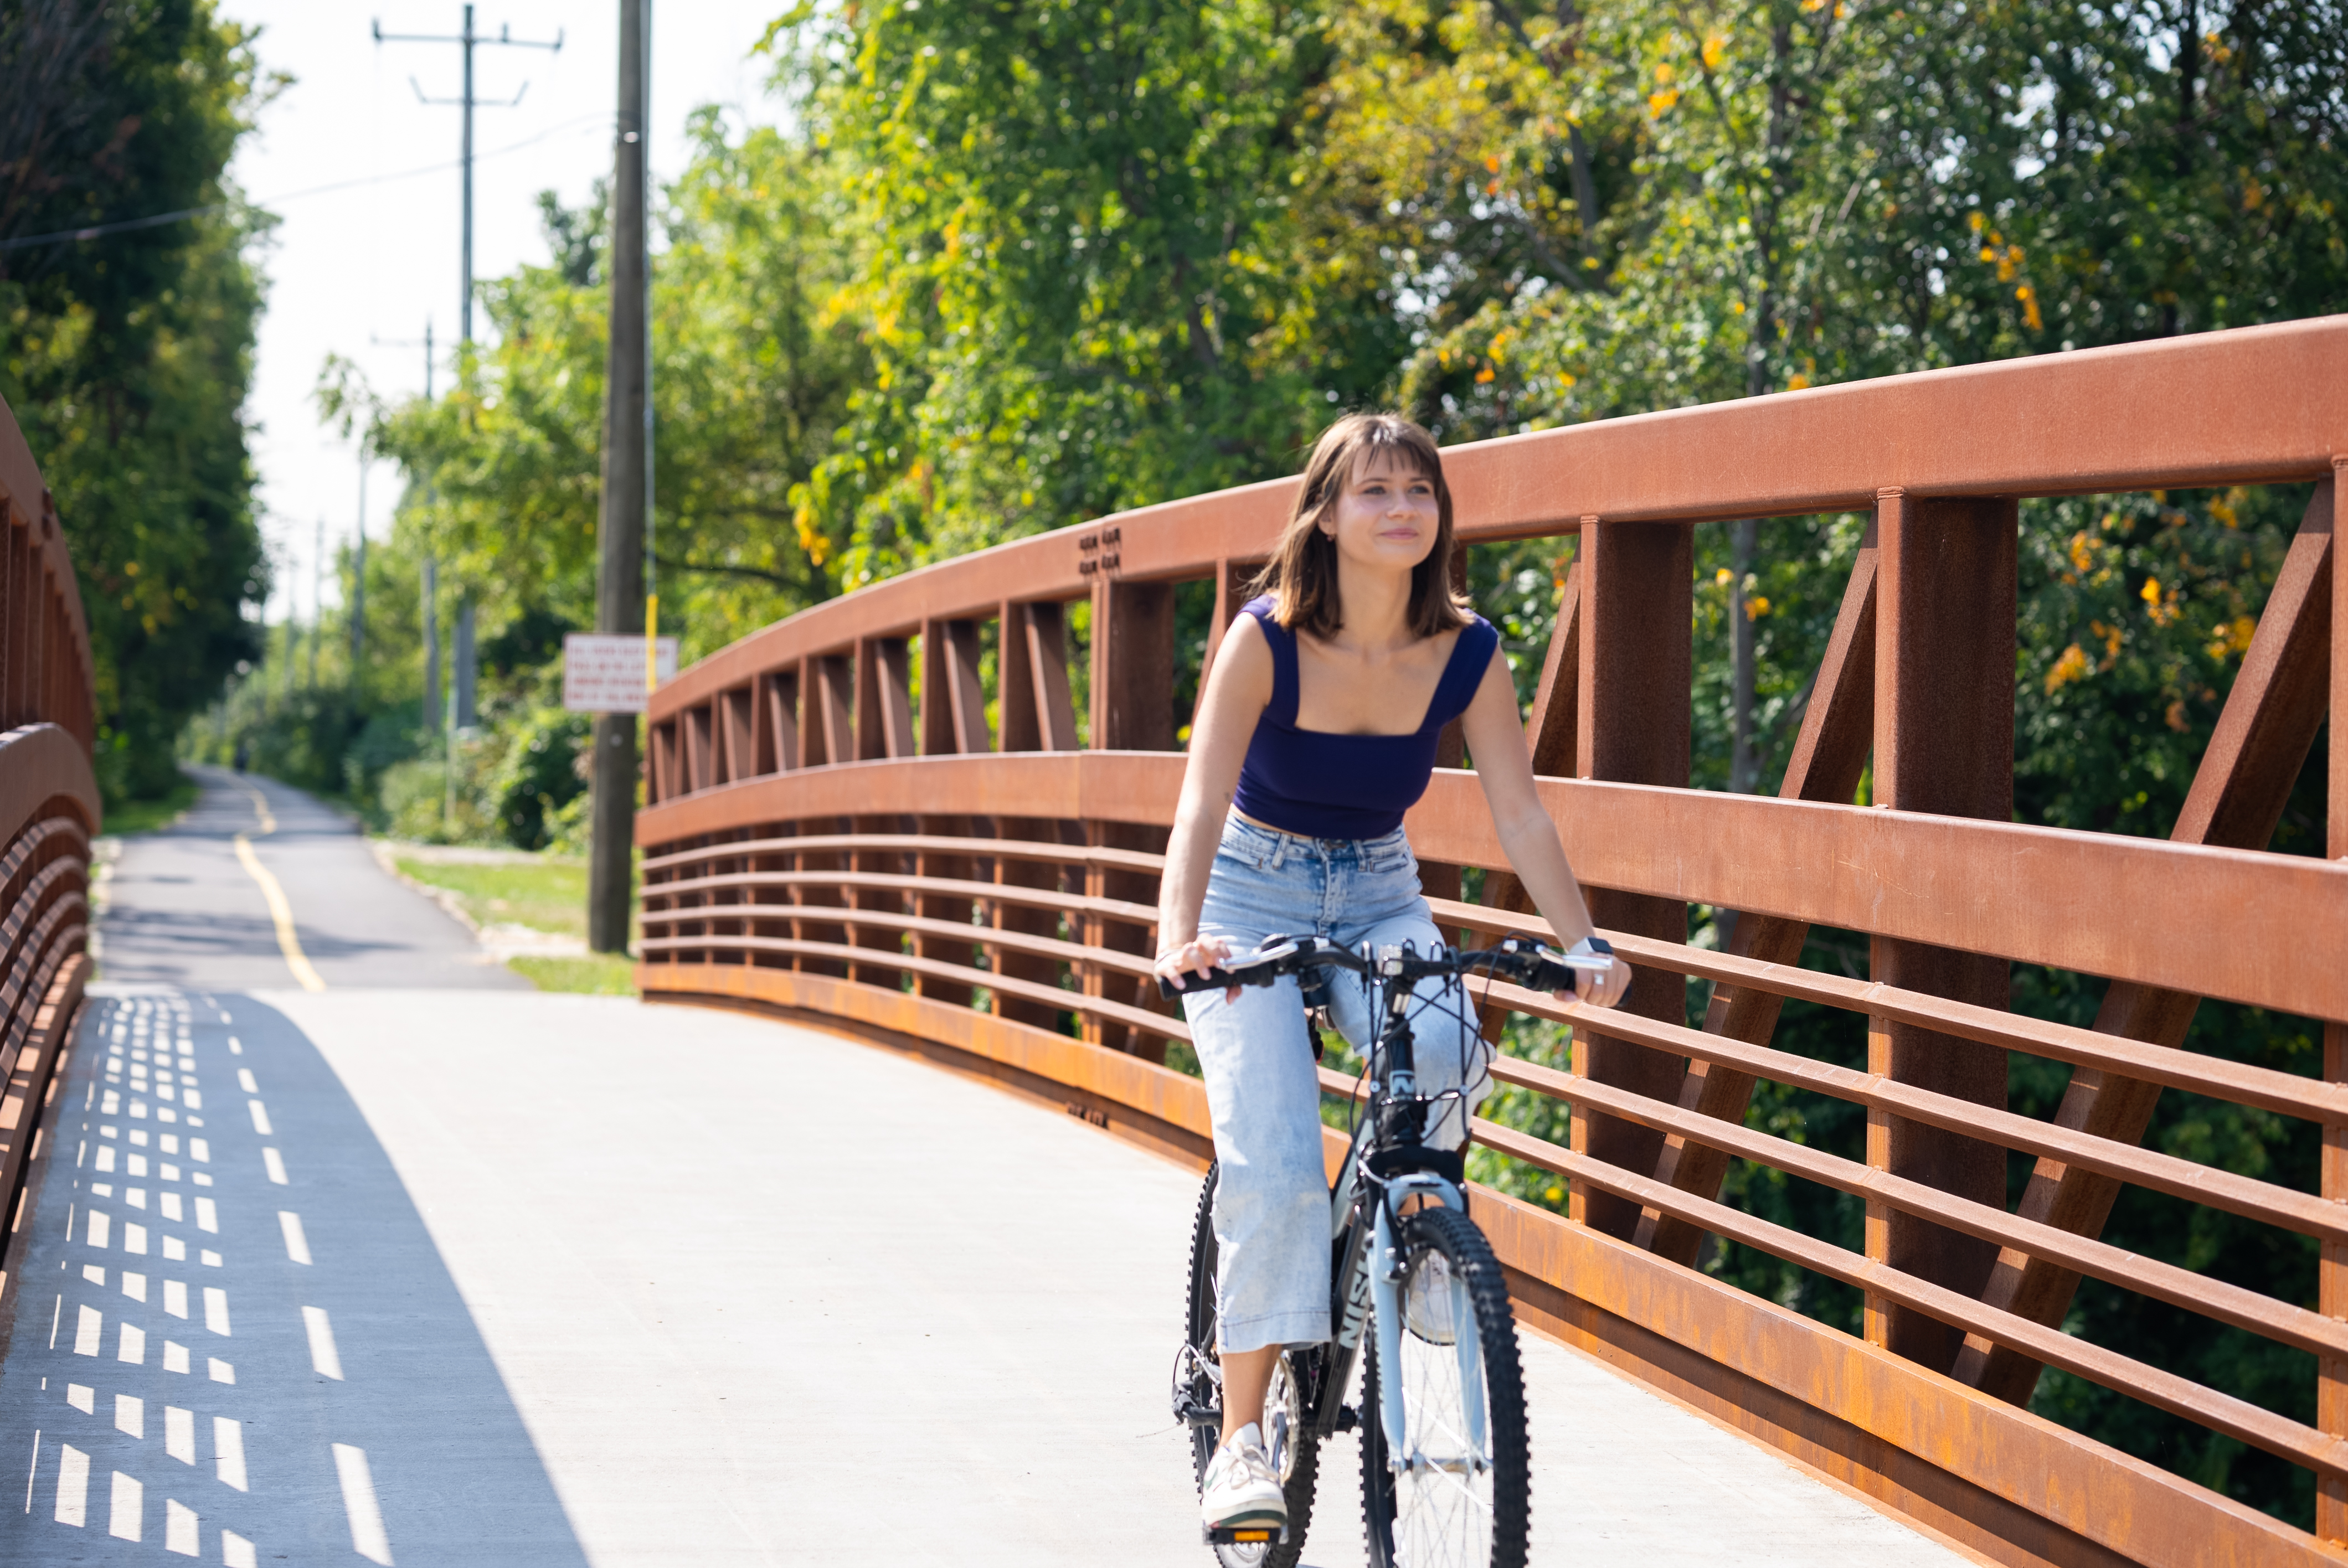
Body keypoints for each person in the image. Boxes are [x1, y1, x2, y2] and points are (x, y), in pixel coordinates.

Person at [1152, 411, 1633, 1537]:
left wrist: (1581, 941)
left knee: (1453, 1048)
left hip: (1376, 884)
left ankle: (1417, 1248)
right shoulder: (1262, 639)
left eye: (1418, 490)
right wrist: (1180, 935)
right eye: (1373, 492)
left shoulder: (1466, 647)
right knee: (1269, 1165)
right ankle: (1237, 1441)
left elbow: (1516, 807)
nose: (1400, 509)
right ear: (1323, 513)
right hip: (1247, 891)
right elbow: (1196, 801)